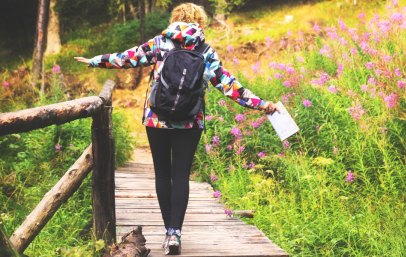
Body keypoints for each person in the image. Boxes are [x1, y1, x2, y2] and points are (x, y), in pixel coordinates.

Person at [74, 3, 279, 255]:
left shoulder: (160, 43)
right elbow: (229, 85)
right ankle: (174, 234)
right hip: (190, 120)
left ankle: (167, 232)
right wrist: (261, 104)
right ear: (200, 23)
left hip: (156, 117)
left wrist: (95, 61)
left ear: (175, 20)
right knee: (180, 175)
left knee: (162, 174)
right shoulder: (205, 50)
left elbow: (128, 58)